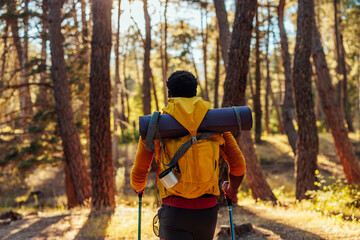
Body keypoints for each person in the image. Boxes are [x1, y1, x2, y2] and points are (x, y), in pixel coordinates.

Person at [130, 70, 246, 240]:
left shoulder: (156, 125)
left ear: (170, 94)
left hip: (174, 211)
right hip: (207, 212)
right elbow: (238, 164)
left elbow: (139, 173)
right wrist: (231, 190)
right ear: (195, 92)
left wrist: (139, 188)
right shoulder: (215, 123)